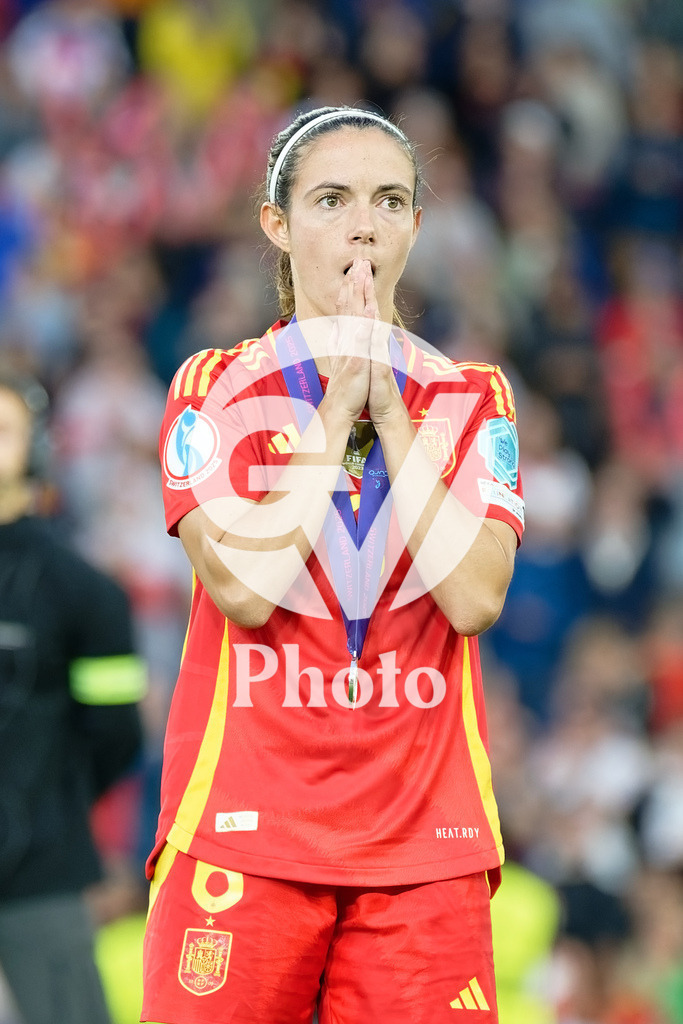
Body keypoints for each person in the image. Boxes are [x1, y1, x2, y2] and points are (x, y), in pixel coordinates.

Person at [143, 105, 525, 1024]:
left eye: (390, 200)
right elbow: (242, 585)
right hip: (244, 834)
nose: (364, 224)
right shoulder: (213, 386)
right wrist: (335, 401)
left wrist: (389, 410)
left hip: (424, 853)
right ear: (276, 223)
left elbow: (474, 598)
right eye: (331, 198)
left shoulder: (472, 398)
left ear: (416, 227)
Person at [0, 369, 146, 1024]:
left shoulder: (87, 595)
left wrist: (44, 806)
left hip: (44, 875)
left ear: (37, 449)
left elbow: (116, 736)